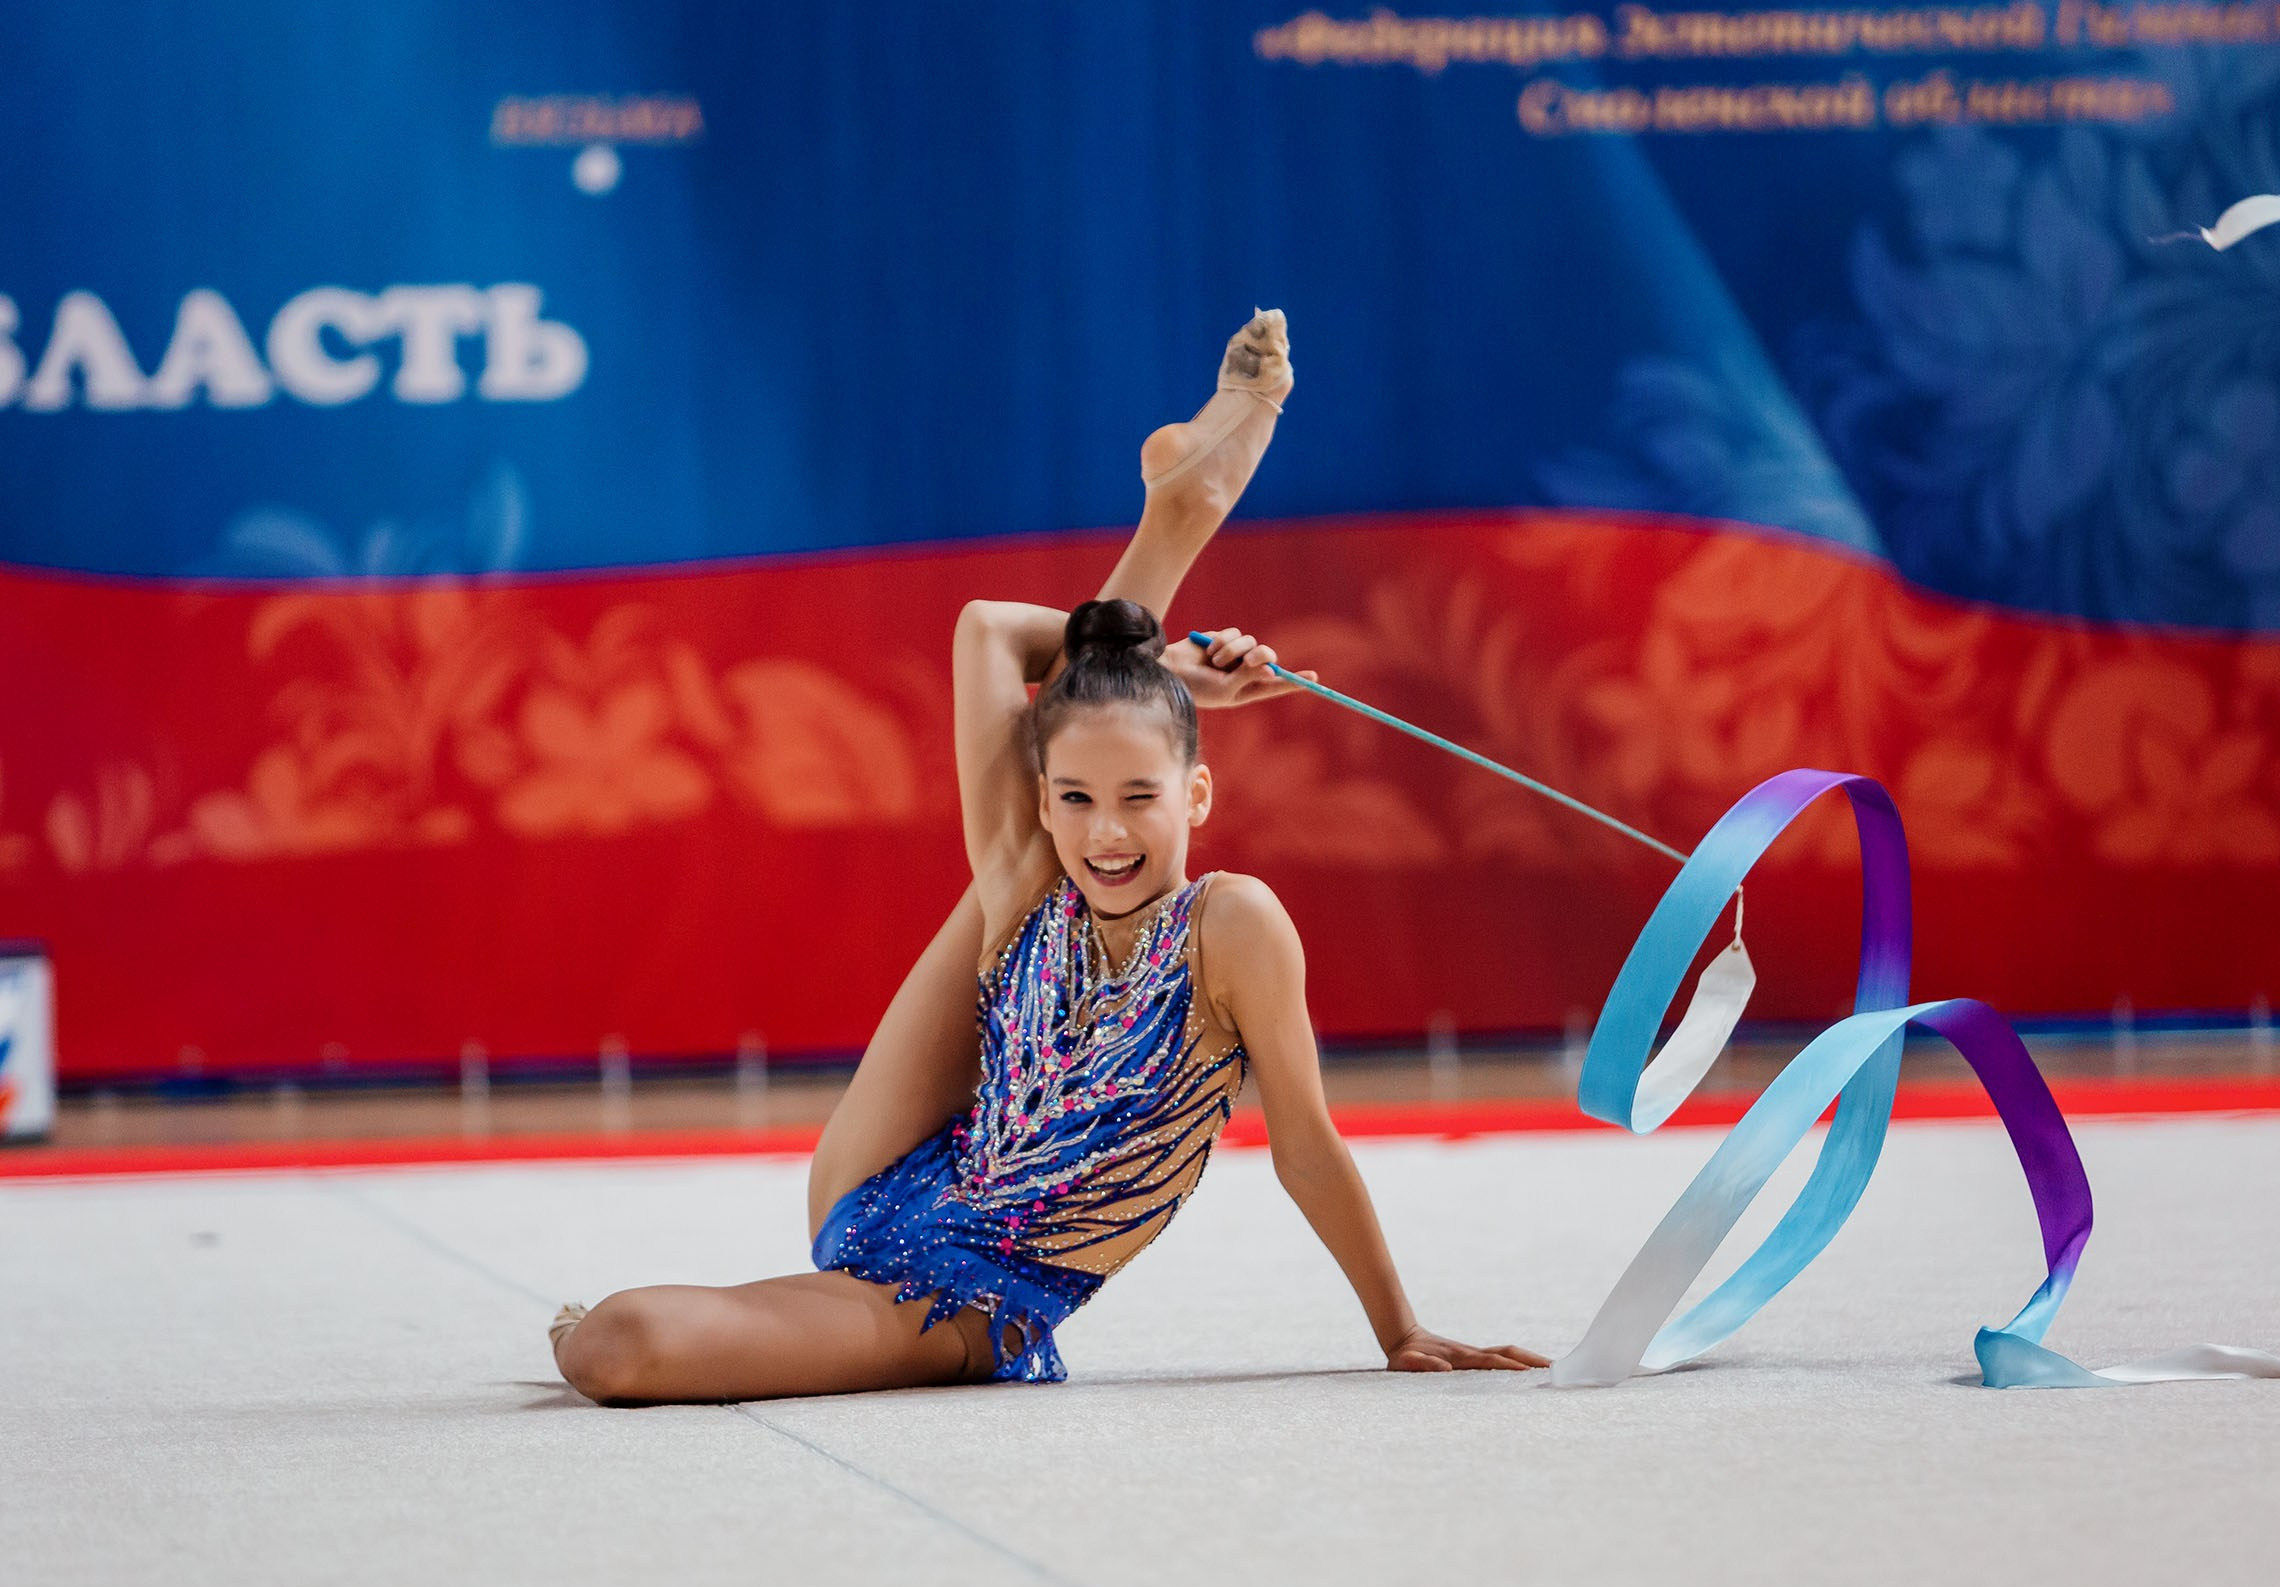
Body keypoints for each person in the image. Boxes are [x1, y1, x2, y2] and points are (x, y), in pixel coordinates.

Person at [551, 311, 1546, 1402]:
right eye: (1078, 801)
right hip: (878, 1181)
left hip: (967, 1293)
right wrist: (1159, 669)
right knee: (1045, 820)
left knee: (619, 1342)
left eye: (1142, 799)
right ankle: (1180, 519)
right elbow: (987, 628)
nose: (1108, 833)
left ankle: (1178, 519)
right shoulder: (1034, 873)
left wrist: (1399, 1326)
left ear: (1197, 794)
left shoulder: (1232, 926)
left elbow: (1304, 1142)